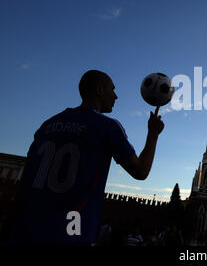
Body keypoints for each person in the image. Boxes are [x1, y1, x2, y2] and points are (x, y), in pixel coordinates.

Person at [9, 70, 164, 245]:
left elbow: (26, 178)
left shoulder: (47, 125)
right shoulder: (107, 127)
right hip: (70, 235)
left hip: (25, 232)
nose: (116, 96)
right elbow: (141, 171)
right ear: (100, 90)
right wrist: (153, 133)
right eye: (112, 90)